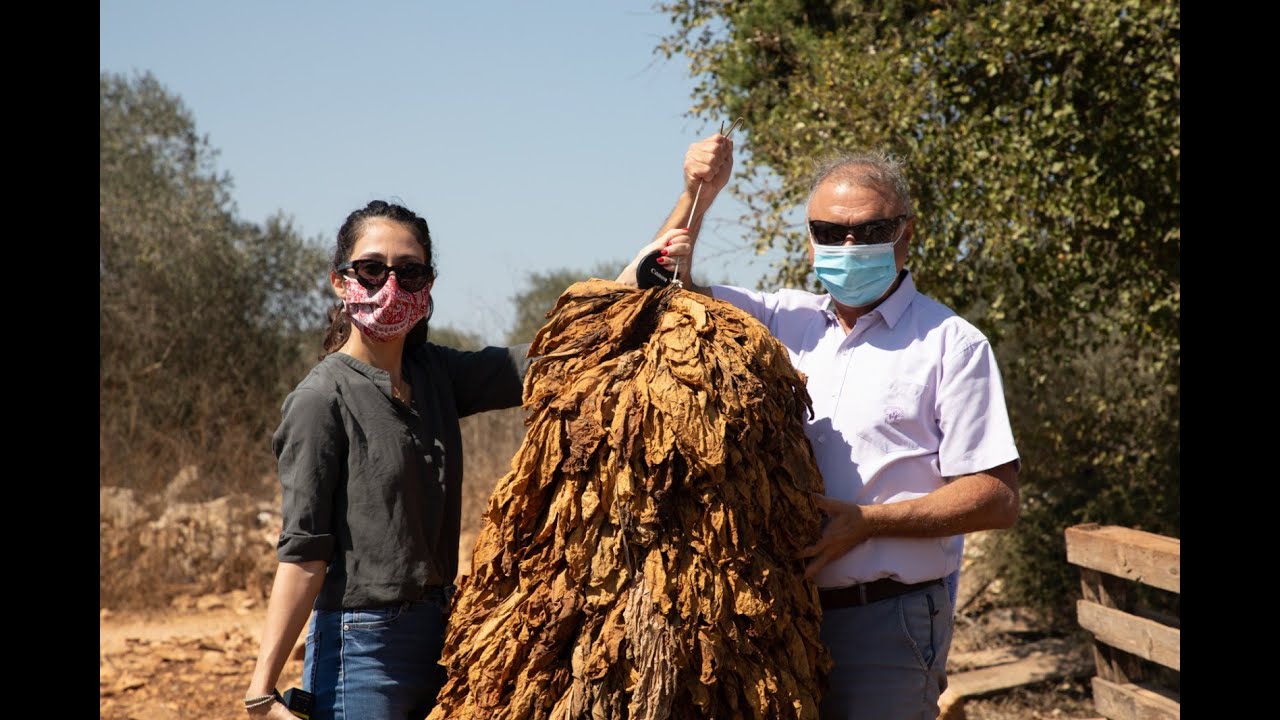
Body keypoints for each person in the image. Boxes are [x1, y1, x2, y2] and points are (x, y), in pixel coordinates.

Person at [618, 135, 1020, 719]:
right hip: (773, 613)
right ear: (810, 242)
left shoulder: (951, 345)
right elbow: (650, 295)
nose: (849, 245)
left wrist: (867, 523)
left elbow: (997, 498)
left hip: (887, 618)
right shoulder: (780, 320)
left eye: (869, 231)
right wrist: (696, 195)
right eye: (831, 233)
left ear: (905, 233)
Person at [242, 200, 531, 719]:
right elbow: (305, 551)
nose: (390, 286)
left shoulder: (435, 373)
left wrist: (689, 203)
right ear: (339, 280)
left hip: (445, 636)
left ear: (428, 284)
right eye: (372, 269)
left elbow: (561, 350)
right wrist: (262, 691)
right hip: (363, 648)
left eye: (409, 271)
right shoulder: (321, 399)